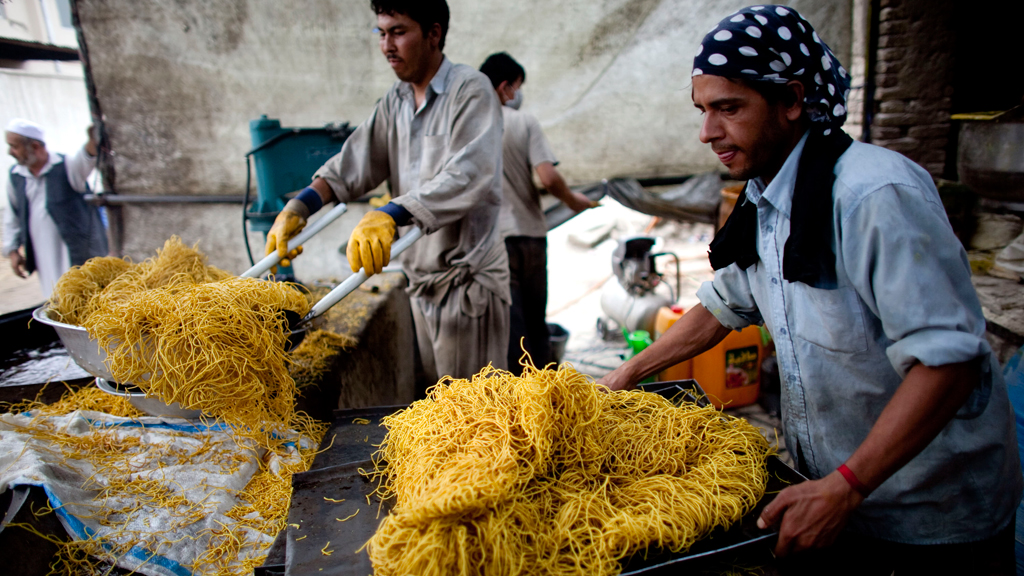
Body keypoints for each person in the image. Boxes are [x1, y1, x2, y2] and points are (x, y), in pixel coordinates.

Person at [599, 5, 1022, 573]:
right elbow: (725, 303)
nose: (707, 133)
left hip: (925, 520)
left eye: (729, 108)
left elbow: (948, 365)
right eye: (703, 110)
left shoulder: (874, 195)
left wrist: (847, 484)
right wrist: (627, 374)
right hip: (831, 500)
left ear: (793, 99)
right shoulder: (768, 199)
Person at [264, 0, 509, 382]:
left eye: (398, 32)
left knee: (473, 416)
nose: (386, 45)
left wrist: (390, 214)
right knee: (440, 398)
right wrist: (300, 206)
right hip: (422, 280)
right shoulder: (396, 101)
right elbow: (354, 163)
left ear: (433, 34)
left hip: (465, 286)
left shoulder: (470, 90)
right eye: (381, 33)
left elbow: (469, 175)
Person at [478, 52, 594, 375]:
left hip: (492, 244)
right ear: (504, 87)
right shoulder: (523, 121)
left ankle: (519, 409)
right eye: (517, 86)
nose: (518, 94)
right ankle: (548, 399)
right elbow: (548, 177)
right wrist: (572, 200)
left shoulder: (468, 127)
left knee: (512, 331)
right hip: (529, 236)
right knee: (535, 324)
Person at [4, 119, 107, 299]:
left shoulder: (66, 165)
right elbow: (12, 217)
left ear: (35, 146)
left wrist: (93, 141)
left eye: (14, 146)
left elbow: (86, 158)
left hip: (78, 254)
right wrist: (12, 250)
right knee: (55, 298)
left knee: (86, 298)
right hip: (43, 256)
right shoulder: (16, 176)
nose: (10, 152)